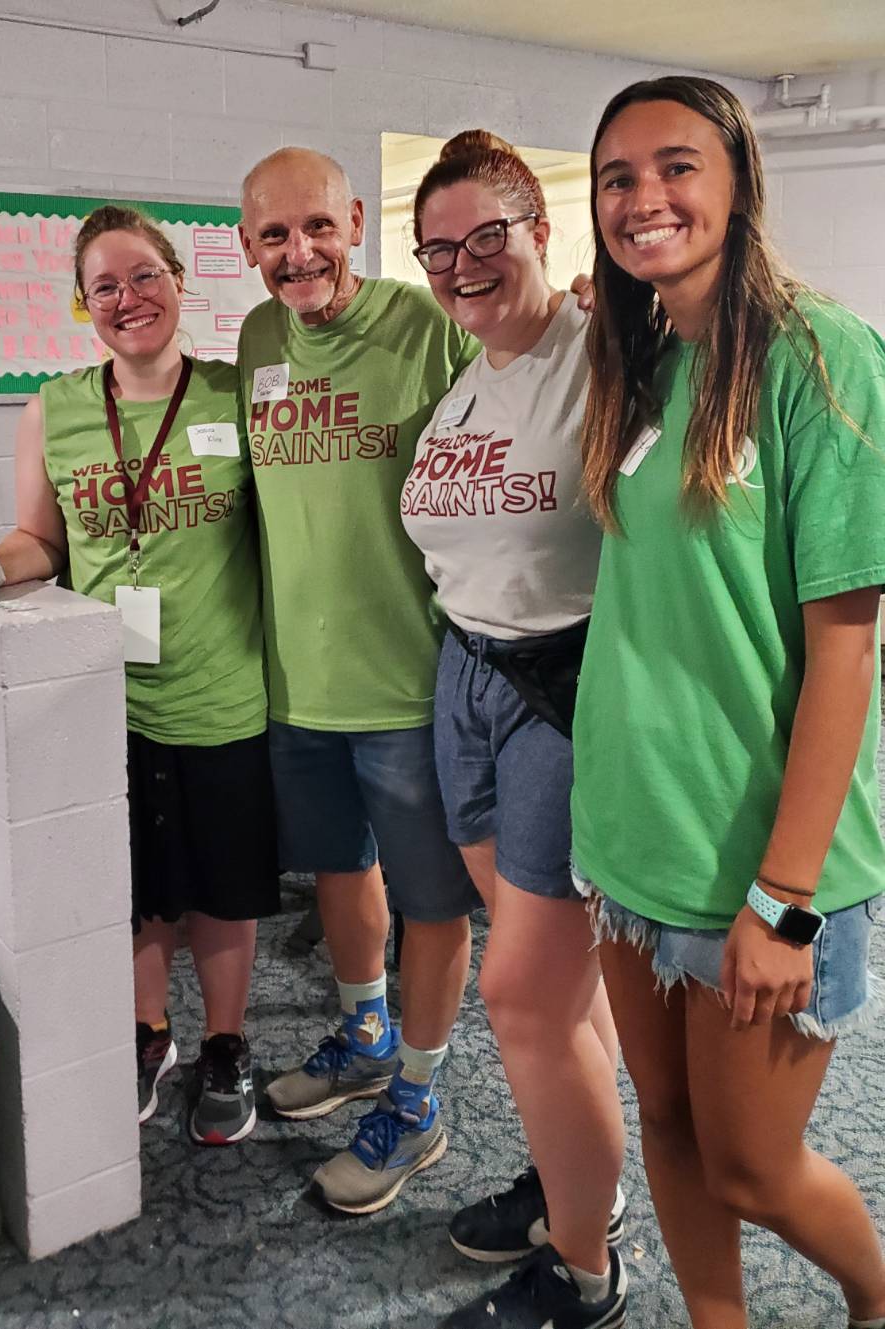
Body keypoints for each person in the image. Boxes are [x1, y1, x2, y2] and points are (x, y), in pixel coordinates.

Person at [574, 75, 885, 1329]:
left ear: (741, 177)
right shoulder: (641, 360)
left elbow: (850, 650)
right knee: (667, 1120)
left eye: (676, 165)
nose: (646, 197)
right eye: (617, 177)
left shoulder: (822, 354)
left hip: (767, 862)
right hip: (633, 834)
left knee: (753, 1163)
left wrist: (785, 900)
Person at [0, 206, 279, 1147]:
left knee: (221, 888)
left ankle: (228, 1045)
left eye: (145, 277)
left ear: (178, 281)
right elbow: (41, 538)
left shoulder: (232, 394)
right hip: (102, 701)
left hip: (221, 694)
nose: (130, 300)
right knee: (131, 887)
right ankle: (147, 1032)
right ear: (84, 307)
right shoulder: (56, 407)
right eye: (106, 287)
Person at [401, 130, 627, 1329]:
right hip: (467, 679)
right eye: (438, 248)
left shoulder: (610, 356)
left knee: (524, 997)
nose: (462, 264)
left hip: (567, 688)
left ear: (540, 227)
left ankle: (586, 1273)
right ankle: (578, 1177)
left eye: (487, 235)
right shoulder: (469, 373)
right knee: (555, 989)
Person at [235, 146, 483, 1213]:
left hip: (410, 683)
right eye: (275, 237)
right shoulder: (253, 340)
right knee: (340, 873)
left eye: (319, 228)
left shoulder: (426, 326)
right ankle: (367, 1035)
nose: (301, 255)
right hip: (297, 685)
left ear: (357, 224)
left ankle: (419, 1104)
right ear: (246, 248)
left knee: (433, 903)